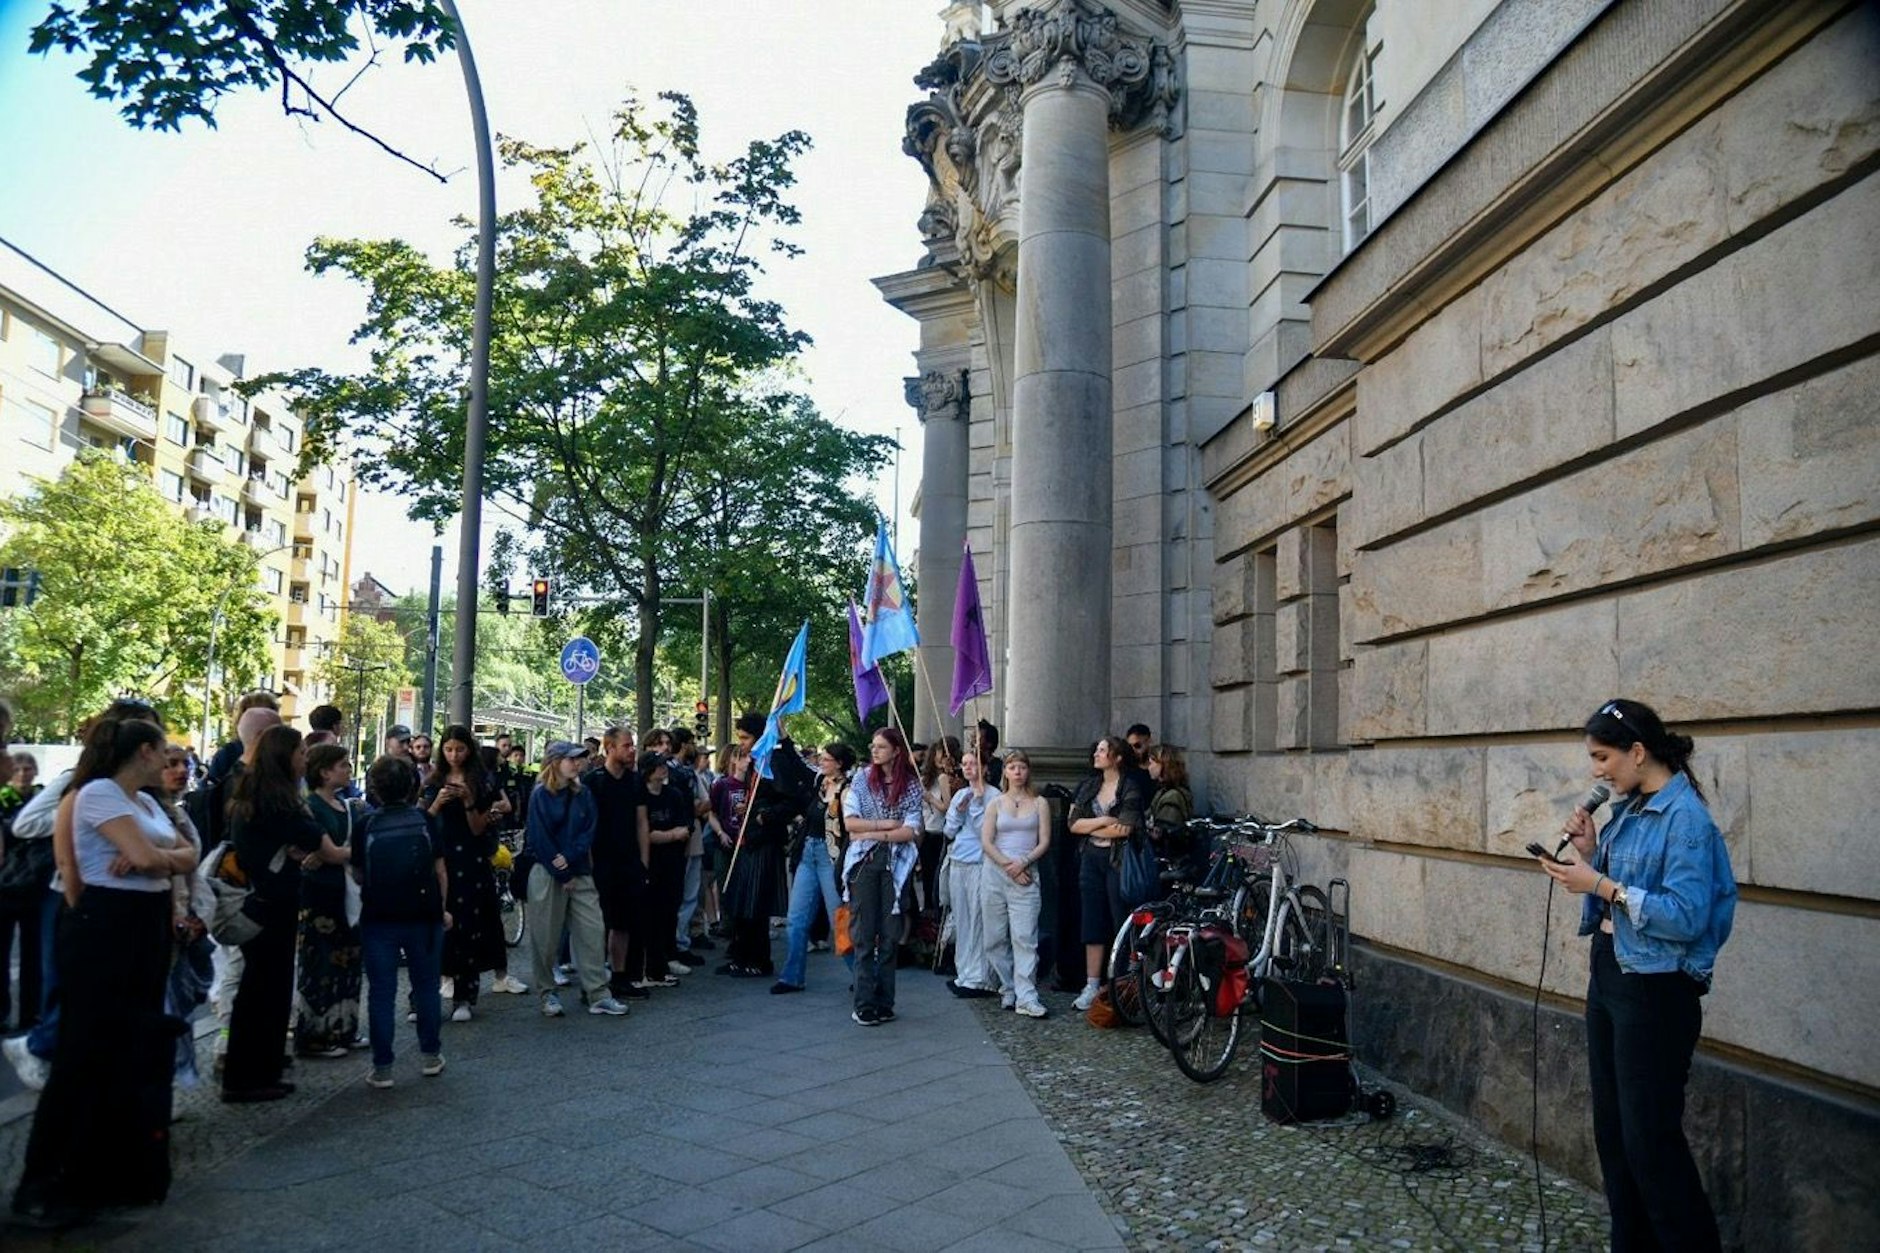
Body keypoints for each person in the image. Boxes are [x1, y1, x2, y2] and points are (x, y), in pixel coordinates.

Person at [1540, 699, 1736, 1253]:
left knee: (1652, 1143)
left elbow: (1686, 915)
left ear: (1639, 751)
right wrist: (1591, 854)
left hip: (1656, 991)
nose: (1596, 771)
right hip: (1612, 976)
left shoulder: (1686, 820)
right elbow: (1626, 889)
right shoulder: (1628, 809)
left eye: (1603, 757)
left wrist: (1598, 885)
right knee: (1616, 1137)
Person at [12, 714, 197, 1224]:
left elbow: (188, 852)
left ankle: (107, 1173)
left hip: (144, 927)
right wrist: (159, 855)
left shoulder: (143, 803)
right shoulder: (96, 794)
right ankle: (44, 1182)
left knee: (129, 1051)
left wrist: (157, 856)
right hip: (106, 926)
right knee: (82, 1052)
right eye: (163, 750)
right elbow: (148, 855)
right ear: (141, 752)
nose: (169, 759)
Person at [222, 724, 320, 1103]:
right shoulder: (275, 798)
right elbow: (309, 833)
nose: (305, 760)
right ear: (284, 758)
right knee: (265, 989)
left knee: (262, 988)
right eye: (300, 754)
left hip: (264, 901)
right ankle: (251, 1075)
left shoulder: (257, 792)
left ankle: (256, 1070)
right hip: (270, 905)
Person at [351, 755, 448, 1088]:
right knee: (426, 987)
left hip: (378, 918)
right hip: (424, 916)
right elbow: (439, 870)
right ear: (412, 785)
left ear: (375, 788)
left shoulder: (365, 824)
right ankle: (431, 1054)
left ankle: (382, 1067)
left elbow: (358, 873)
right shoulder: (424, 819)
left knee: (381, 992)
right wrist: (443, 909)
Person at [524, 742, 626, 1017]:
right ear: (555, 761)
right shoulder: (540, 795)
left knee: (593, 932)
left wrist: (568, 861)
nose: (577, 764)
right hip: (549, 871)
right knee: (545, 939)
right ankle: (548, 993)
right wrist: (563, 867)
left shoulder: (583, 793)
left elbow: (588, 830)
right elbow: (538, 836)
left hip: (575, 869)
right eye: (571, 759)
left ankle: (598, 993)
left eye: (579, 759)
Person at [717, 715, 815, 978]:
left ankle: (757, 960)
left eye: (746, 738)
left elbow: (793, 800)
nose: (743, 744)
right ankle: (740, 956)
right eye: (740, 738)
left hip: (764, 841)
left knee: (755, 906)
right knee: (741, 902)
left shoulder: (773, 762)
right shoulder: (756, 762)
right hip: (748, 839)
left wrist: (765, 815)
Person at [422, 726, 505, 1021]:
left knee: (467, 926)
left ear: (469, 750)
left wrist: (469, 798)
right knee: (433, 927)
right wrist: (437, 803)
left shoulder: (480, 781)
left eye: (459, 749)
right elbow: (423, 821)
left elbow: (478, 827)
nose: (454, 755)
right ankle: (422, 997)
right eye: (448, 749)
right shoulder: (432, 779)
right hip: (439, 859)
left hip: (469, 860)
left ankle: (464, 997)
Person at [841, 728, 923, 1026]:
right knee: (864, 934)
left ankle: (885, 1001)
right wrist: (886, 825)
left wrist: (873, 832)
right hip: (865, 862)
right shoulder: (862, 779)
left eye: (881, 747)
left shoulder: (910, 786)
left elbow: (911, 830)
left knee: (889, 935)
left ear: (895, 750)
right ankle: (863, 1003)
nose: (875, 751)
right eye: (872, 747)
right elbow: (850, 824)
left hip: (895, 865)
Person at [1066, 735, 1148, 1011]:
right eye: (1097, 749)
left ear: (1117, 757)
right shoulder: (1089, 785)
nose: (1097, 754)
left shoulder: (1130, 786)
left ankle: (1125, 984)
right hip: (1090, 859)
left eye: (1103, 750)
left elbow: (1125, 828)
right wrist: (1102, 821)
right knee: (1092, 921)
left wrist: (1091, 828)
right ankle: (1091, 984)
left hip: (1118, 862)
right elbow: (1072, 824)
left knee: (1119, 920)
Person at [294, 744, 361, 1057]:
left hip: (343, 890)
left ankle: (344, 1028)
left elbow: (329, 852)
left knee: (347, 960)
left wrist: (332, 855)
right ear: (324, 771)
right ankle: (316, 1035)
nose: (348, 770)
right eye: (343, 765)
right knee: (321, 962)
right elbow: (316, 850)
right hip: (319, 894)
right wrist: (340, 854)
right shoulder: (309, 806)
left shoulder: (344, 805)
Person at [774, 742, 855, 994]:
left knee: (839, 921)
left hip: (831, 859)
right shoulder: (817, 781)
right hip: (808, 854)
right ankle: (792, 977)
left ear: (839, 764)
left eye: (827, 759)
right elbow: (797, 763)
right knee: (796, 919)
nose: (821, 761)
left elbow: (850, 830)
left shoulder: (849, 791)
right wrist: (783, 735)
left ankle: (863, 976)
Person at [980, 748, 1050, 1018]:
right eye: (1012, 767)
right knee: (994, 937)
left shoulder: (1039, 802)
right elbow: (987, 841)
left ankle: (1027, 995)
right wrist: (1010, 866)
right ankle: (1008, 984)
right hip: (997, 871)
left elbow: (1044, 841)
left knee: (1025, 937)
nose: (1017, 772)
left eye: (1022, 767)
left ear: (1028, 770)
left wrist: (1023, 862)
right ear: (1005, 772)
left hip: (1027, 870)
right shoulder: (995, 803)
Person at [586, 727, 652, 999]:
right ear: (609, 747)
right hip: (601, 861)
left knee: (623, 921)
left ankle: (620, 976)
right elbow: (586, 825)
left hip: (628, 861)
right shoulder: (594, 781)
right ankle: (594, 979)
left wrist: (643, 861)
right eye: (626, 745)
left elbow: (641, 821)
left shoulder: (635, 781)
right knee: (597, 922)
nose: (632, 750)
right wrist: (588, 864)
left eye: (632, 745)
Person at [942, 750, 999, 999]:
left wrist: (976, 806)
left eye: (973, 763)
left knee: (978, 920)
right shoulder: (961, 794)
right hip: (958, 862)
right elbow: (949, 830)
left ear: (984, 767)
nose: (967, 768)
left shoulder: (994, 796)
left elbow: (984, 834)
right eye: (964, 764)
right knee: (963, 919)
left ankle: (980, 977)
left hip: (979, 863)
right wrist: (960, 809)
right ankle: (964, 972)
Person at [640, 752, 695, 984]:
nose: (664, 770)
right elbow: (645, 833)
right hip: (652, 863)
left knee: (670, 910)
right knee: (650, 913)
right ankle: (651, 964)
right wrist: (670, 834)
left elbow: (684, 828)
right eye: (659, 766)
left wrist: (665, 835)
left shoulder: (673, 795)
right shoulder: (641, 796)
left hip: (672, 862)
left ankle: (665, 958)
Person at [1, 751, 46, 1031]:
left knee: (35, 955)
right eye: (18, 767)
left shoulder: (41, 798)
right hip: (5, 884)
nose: (23, 772)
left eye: (28, 767)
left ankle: (31, 1014)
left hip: (35, 884)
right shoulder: (3, 798)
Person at [1144, 744, 1197, 876]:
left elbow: (1163, 832)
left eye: (1151, 763)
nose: (1148, 767)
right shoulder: (1163, 791)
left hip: (1170, 861)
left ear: (1163, 764)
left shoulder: (1173, 795)